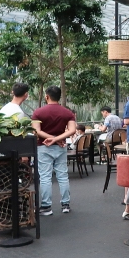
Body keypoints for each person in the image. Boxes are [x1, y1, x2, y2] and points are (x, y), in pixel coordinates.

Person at [31, 86, 77, 215]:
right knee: (63, 176)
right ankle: (65, 204)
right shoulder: (67, 112)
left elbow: (37, 131)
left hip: (43, 147)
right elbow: (72, 130)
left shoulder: (38, 112)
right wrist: (58, 139)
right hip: (61, 147)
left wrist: (52, 139)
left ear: (47, 96)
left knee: (45, 177)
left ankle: (46, 207)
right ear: (59, 97)